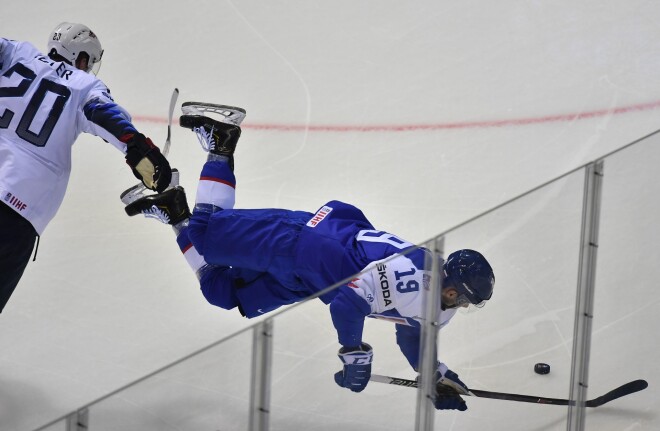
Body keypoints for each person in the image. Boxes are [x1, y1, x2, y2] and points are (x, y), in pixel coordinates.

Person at [124, 102, 495, 411]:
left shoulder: (439, 305)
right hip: (305, 244)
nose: (459, 304)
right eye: (461, 296)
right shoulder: (411, 276)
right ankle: (221, 139)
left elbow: (413, 334)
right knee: (206, 234)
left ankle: (174, 212)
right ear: (450, 284)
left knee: (222, 293)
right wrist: (354, 352)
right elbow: (348, 306)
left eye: (466, 302)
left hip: (311, 277)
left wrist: (433, 374)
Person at [0, 23, 172, 313]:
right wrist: (141, 151)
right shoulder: (85, 86)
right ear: (81, 58)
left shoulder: (17, 52)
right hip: (19, 209)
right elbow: (106, 116)